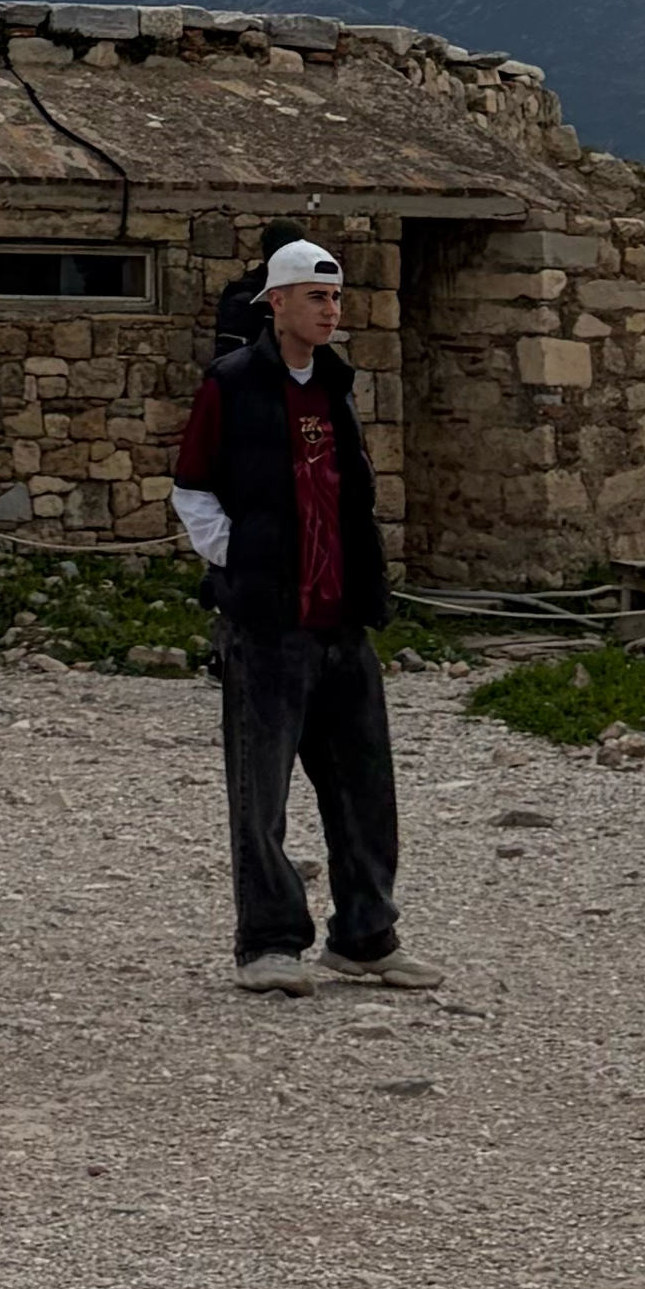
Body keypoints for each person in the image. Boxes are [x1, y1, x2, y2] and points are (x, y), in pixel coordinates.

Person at [169, 238, 442, 995]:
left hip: (341, 617)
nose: (331, 311)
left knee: (364, 785)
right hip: (267, 622)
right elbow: (192, 489)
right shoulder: (230, 384)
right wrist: (241, 560)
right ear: (278, 303)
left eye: (337, 299)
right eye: (316, 298)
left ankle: (364, 934)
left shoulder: (338, 386)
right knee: (262, 793)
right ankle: (269, 940)